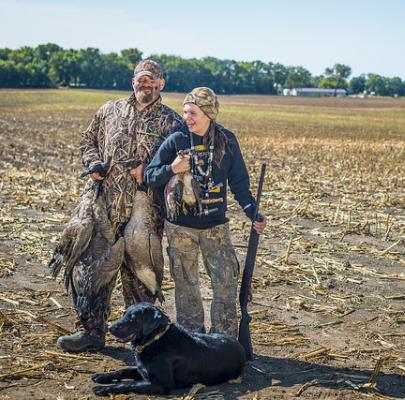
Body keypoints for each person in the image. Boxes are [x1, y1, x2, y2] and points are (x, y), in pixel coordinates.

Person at [56, 59, 186, 352]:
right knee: (90, 271)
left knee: (141, 277)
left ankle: (142, 341)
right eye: (141, 79)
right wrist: (93, 165)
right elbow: (87, 140)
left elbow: (180, 168)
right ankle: (90, 333)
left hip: (145, 211)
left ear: (161, 84)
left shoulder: (172, 122)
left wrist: (156, 174)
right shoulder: (109, 110)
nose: (146, 84)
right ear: (133, 82)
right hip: (103, 206)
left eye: (152, 79)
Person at [144, 87, 267, 338]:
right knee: (186, 286)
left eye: (192, 113)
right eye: (185, 112)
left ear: (209, 114)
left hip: (215, 228)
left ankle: (224, 342)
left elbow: (240, 184)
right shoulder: (176, 140)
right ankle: (193, 340)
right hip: (180, 228)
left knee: (225, 284)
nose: (186, 118)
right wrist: (173, 168)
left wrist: (252, 212)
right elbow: (150, 176)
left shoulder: (227, 140)